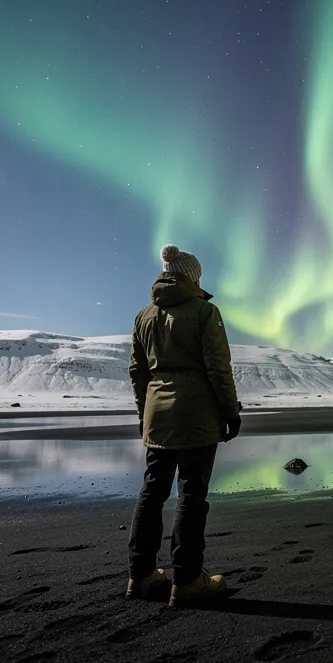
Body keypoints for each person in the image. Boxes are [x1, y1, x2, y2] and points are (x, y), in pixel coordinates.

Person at [125, 244, 241, 605]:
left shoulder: (143, 316)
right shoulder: (205, 312)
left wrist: (144, 412)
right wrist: (230, 412)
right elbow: (218, 367)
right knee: (192, 494)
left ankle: (141, 575)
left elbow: (137, 371)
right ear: (193, 276)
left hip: (157, 414)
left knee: (152, 492)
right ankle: (187, 579)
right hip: (196, 414)